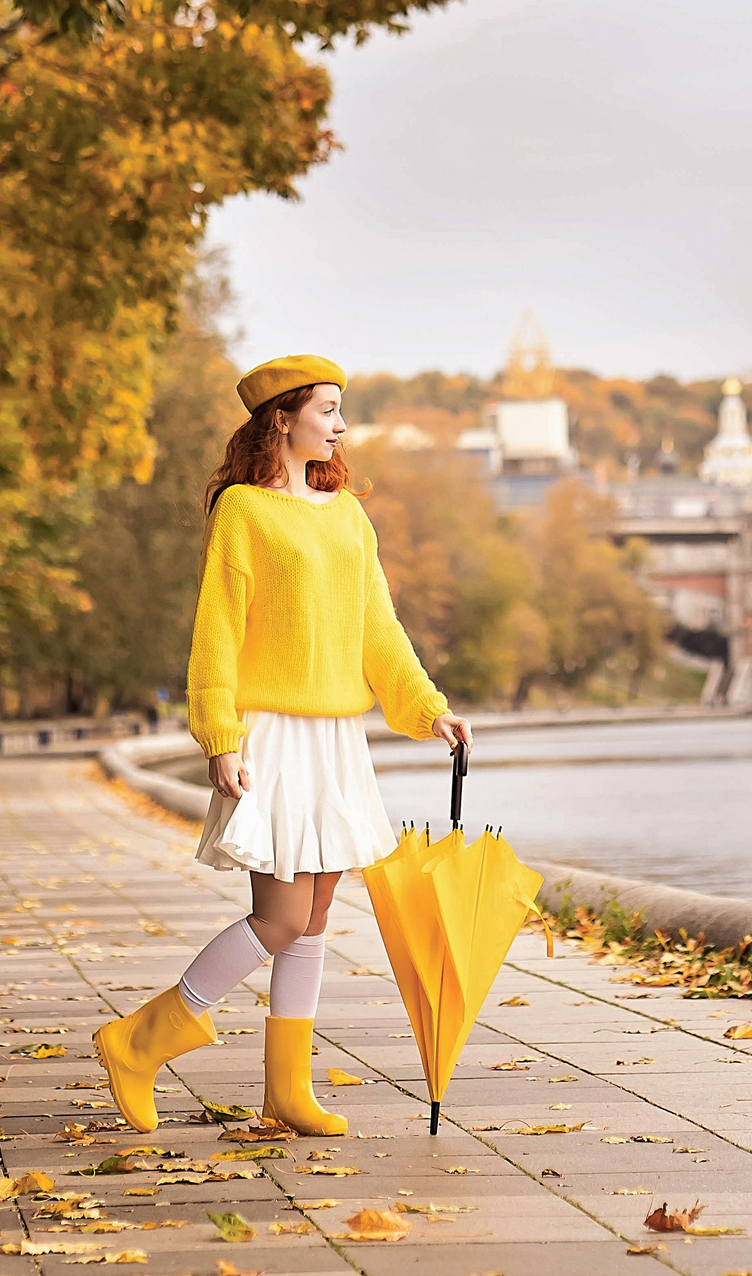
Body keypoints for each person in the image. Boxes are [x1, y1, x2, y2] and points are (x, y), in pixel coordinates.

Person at [93, 354, 471, 1135]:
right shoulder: (243, 511)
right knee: (282, 916)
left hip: (336, 735)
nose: (339, 424)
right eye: (327, 409)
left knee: (318, 912)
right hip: (270, 732)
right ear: (282, 418)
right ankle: (141, 1037)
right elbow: (218, 633)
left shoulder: (348, 515)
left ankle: (286, 1090)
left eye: (341, 410)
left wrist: (428, 707)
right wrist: (220, 735)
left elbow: (379, 629)